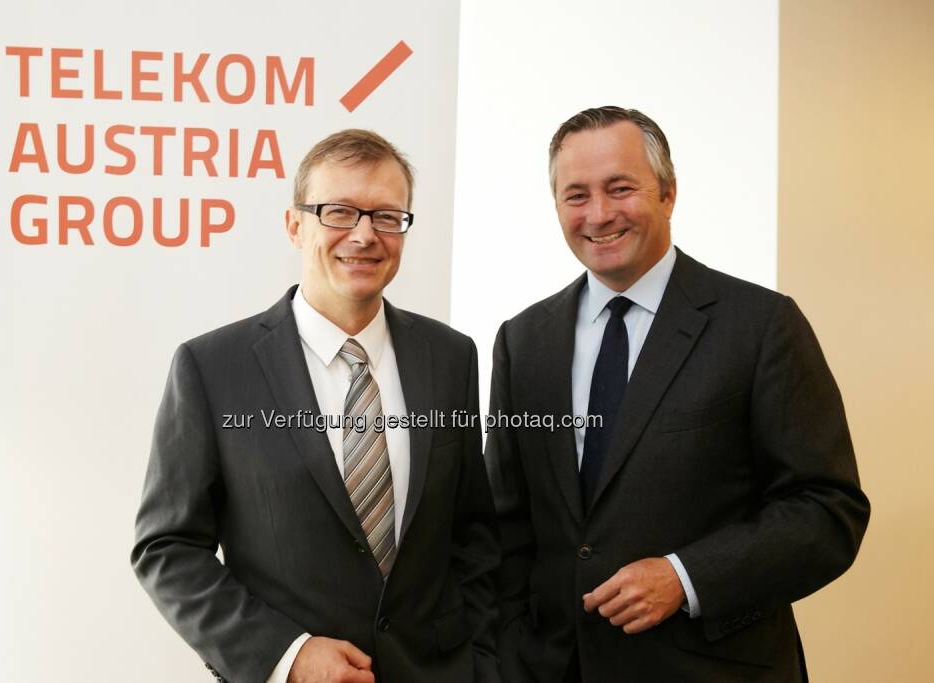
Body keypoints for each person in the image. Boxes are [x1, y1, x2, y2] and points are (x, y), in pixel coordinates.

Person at [485, 106, 869, 682]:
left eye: (620, 188)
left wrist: (686, 577)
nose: (599, 214)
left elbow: (827, 512)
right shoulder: (523, 341)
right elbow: (507, 527)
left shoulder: (762, 325)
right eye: (576, 195)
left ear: (668, 193)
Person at [133, 129, 500, 683]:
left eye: (386, 216)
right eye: (338, 212)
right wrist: (287, 655)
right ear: (295, 225)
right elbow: (167, 548)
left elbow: (473, 534)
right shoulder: (212, 368)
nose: (363, 235)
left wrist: (480, 665)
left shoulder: (450, 358)